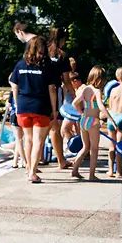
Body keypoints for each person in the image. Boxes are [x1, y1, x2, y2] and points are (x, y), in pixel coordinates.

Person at [10, 36, 58, 184]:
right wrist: (54, 109)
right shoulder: (46, 66)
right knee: (38, 140)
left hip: (23, 106)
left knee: (28, 139)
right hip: (40, 106)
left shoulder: (20, 65)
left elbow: (14, 86)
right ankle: (32, 172)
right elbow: (52, 90)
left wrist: (17, 105)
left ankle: (28, 167)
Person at [71, 66, 117, 181]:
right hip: (93, 121)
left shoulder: (85, 89)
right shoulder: (97, 91)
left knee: (85, 147)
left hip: (84, 120)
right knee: (94, 149)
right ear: (101, 79)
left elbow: (74, 103)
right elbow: (101, 106)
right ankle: (92, 175)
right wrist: (110, 119)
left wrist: (81, 113)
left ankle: (75, 170)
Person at [47, 28, 74, 169]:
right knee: (55, 127)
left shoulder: (42, 52)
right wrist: (74, 94)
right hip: (55, 90)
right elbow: (66, 80)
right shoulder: (61, 55)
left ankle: (38, 159)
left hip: (40, 90)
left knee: (40, 126)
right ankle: (61, 160)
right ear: (62, 39)